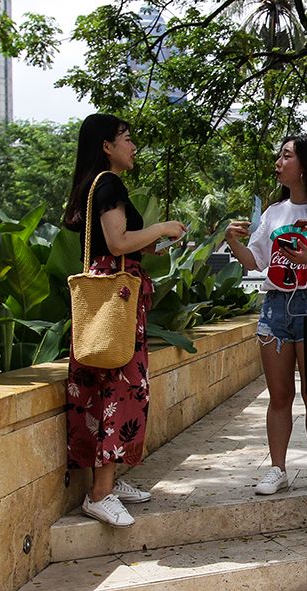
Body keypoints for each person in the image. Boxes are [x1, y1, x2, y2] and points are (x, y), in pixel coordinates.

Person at [64, 113, 187, 527]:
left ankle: (108, 484)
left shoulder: (93, 185)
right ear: (107, 146)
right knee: (121, 388)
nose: (133, 146)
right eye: (127, 139)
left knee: (102, 388)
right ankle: (99, 494)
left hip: (108, 296)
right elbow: (117, 242)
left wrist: (151, 245)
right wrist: (160, 226)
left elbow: (117, 245)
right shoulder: (109, 183)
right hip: (116, 298)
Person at [225, 135, 307, 495]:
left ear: (304, 165)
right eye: (280, 155)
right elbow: (255, 262)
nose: (279, 162)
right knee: (278, 396)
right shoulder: (274, 213)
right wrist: (232, 242)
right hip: (276, 307)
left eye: (286, 156)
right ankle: (277, 467)